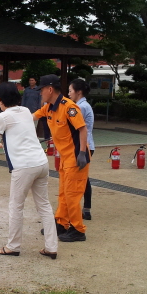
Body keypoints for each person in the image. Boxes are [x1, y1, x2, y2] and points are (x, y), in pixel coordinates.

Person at [0, 82, 58, 259]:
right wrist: (0, 144)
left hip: (24, 167)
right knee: (44, 206)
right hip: (41, 163)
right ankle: (51, 247)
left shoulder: (2, 117)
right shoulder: (25, 111)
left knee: (16, 206)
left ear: (0, 100)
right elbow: (22, 137)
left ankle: (13, 246)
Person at [33, 74, 89, 242]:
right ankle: (61, 223)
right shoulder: (49, 107)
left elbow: (82, 129)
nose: (40, 93)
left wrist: (82, 154)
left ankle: (78, 230)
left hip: (76, 157)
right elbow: (32, 117)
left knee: (72, 195)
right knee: (63, 193)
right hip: (65, 158)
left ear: (50, 89)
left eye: (41, 89)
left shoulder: (69, 107)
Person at [68, 79, 95, 220]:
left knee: (81, 178)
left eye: (70, 91)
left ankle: (83, 209)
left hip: (84, 146)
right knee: (84, 178)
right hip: (84, 145)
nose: (69, 93)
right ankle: (86, 208)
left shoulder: (81, 107)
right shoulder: (81, 105)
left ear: (78, 92)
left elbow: (78, 128)